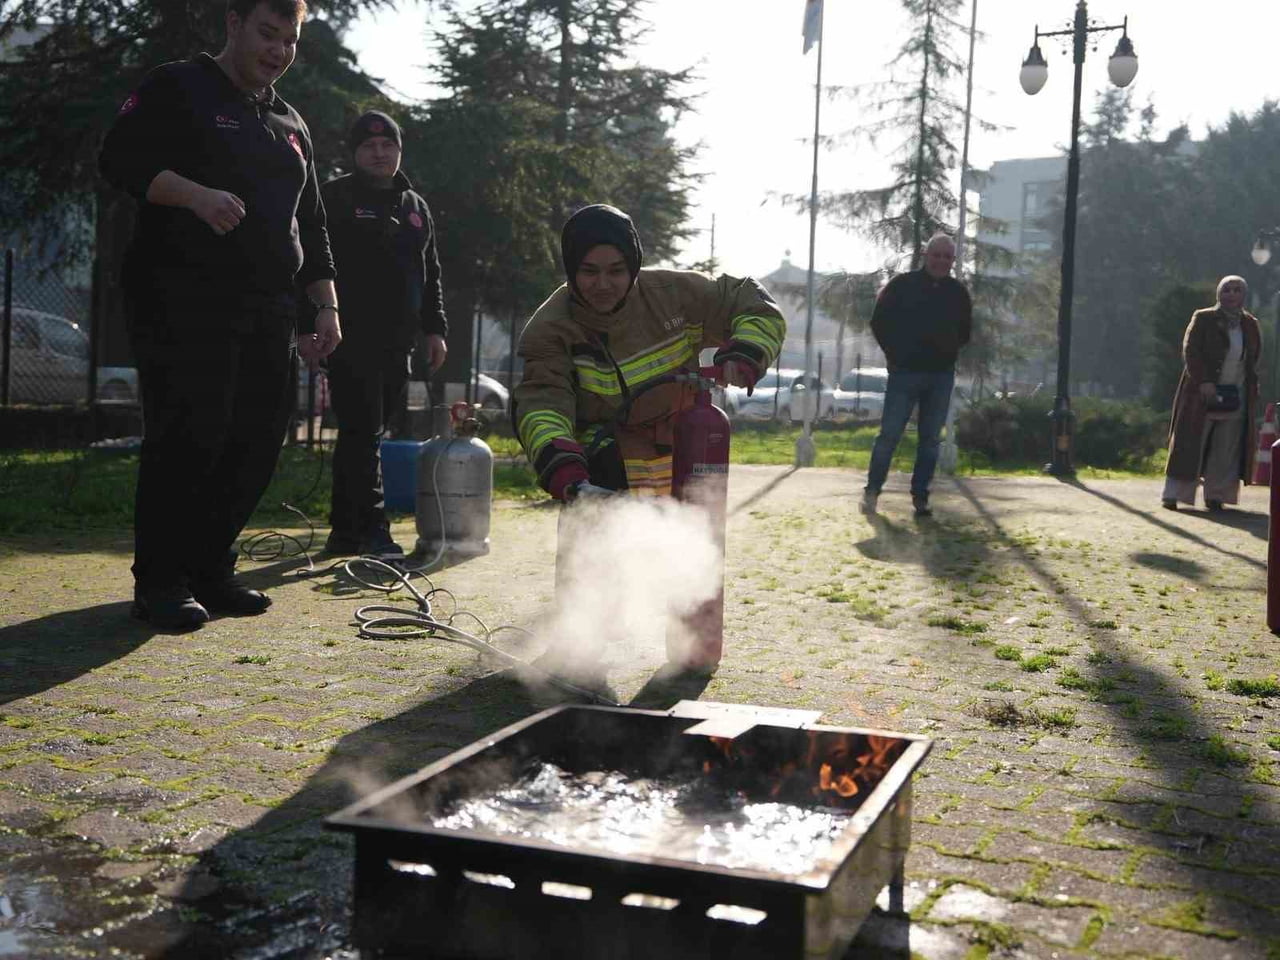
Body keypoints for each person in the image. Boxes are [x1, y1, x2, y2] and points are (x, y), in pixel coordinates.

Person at [99, 0, 340, 630]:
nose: (279, 51)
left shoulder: (290, 121)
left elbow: (312, 222)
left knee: (256, 441)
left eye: (290, 40)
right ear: (233, 24)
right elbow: (118, 158)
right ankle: (160, 581)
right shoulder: (179, 85)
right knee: (191, 434)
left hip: (270, 305)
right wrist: (195, 196)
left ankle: (209, 568)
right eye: (267, 34)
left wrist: (325, 306)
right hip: (182, 295)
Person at [513, 203, 785, 502]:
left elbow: (753, 304)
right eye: (589, 271)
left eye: (616, 271)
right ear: (571, 268)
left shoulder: (676, 295)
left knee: (693, 532)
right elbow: (542, 406)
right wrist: (563, 467)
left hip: (685, 459)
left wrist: (745, 352)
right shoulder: (550, 330)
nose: (603, 285)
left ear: (633, 265)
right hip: (600, 476)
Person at [318, 110, 448, 558]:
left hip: (399, 340)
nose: (379, 153)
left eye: (387, 145)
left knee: (366, 432)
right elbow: (311, 264)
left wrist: (435, 329)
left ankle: (344, 531)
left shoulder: (415, 206)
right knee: (362, 430)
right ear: (354, 153)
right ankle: (373, 530)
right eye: (369, 146)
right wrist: (313, 321)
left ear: (399, 150)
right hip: (348, 336)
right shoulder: (334, 197)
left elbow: (431, 273)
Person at [863, 233, 971, 518]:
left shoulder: (958, 293)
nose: (941, 261)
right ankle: (872, 491)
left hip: (940, 377)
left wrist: (946, 352)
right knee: (889, 435)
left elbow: (965, 332)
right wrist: (895, 354)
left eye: (947, 257)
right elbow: (879, 321)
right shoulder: (902, 285)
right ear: (926, 255)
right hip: (904, 374)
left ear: (953, 260)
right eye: (937, 255)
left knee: (930, 441)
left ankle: (921, 497)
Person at [1161, 275, 1261, 512]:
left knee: (1225, 449)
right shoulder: (1204, 318)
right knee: (1189, 445)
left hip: (1235, 394)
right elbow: (1191, 351)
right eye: (1227, 290)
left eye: (1237, 290)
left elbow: (1254, 357)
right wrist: (1204, 381)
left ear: (1243, 295)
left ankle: (1217, 495)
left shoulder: (1250, 324)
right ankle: (1174, 494)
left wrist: (1251, 388)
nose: (1231, 294)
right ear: (1219, 293)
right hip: (1202, 394)